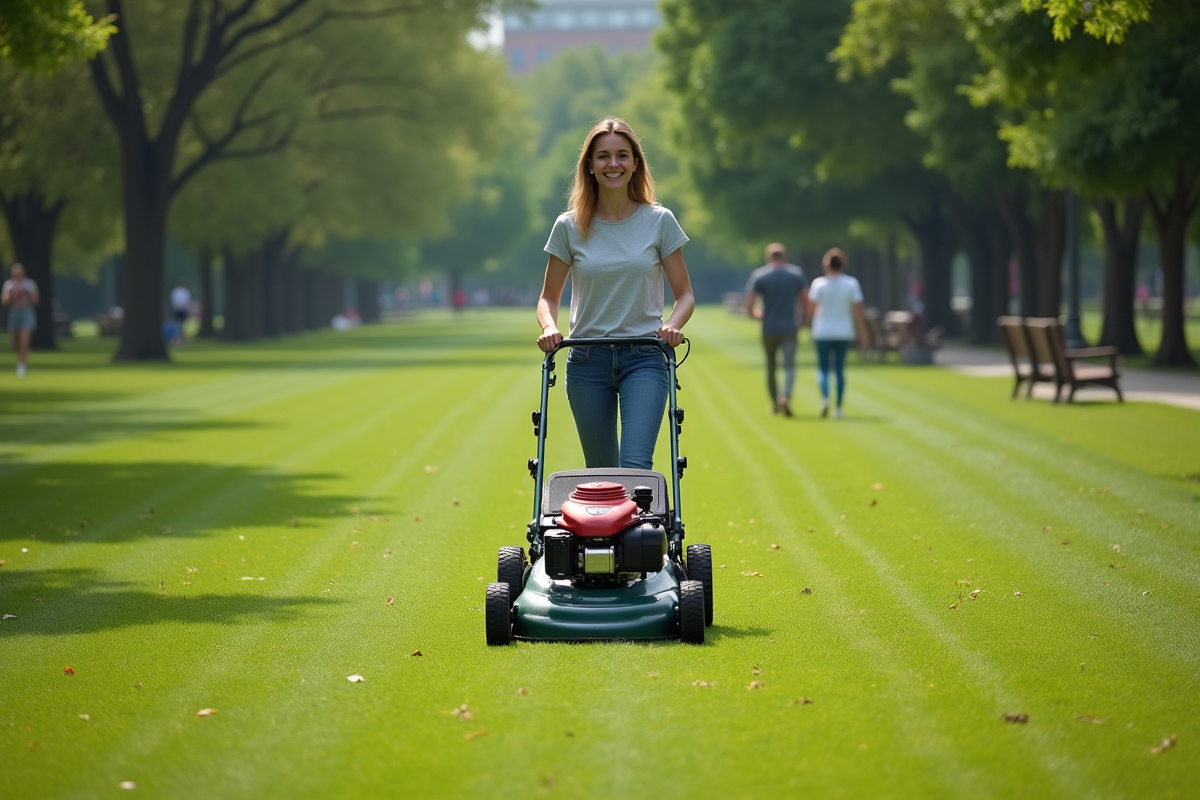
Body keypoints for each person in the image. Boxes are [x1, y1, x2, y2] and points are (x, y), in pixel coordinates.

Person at [536, 116, 695, 470]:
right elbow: (548, 298)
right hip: (586, 361)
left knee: (635, 468)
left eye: (622, 155)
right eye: (604, 156)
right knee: (602, 474)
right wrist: (549, 327)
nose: (613, 164)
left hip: (645, 357)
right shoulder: (568, 226)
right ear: (590, 165)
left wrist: (673, 324)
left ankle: (643, 527)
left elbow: (684, 294)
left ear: (636, 162)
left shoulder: (659, 221)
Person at [744, 243, 809, 416]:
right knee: (789, 366)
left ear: (768, 257)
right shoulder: (795, 274)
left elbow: (749, 305)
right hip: (789, 326)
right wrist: (803, 319)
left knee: (771, 367)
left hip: (769, 328)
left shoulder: (760, 275)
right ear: (784, 256)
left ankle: (774, 403)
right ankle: (785, 396)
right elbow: (805, 298)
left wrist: (758, 315)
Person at [807, 248, 867, 418]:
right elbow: (858, 310)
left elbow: (811, 309)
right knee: (839, 370)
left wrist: (806, 322)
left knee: (823, 369)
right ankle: (839, 408)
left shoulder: (818, 284)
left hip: (822, 331)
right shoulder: (851, 284)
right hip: (843, 331)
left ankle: (825, 397)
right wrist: (863, 333)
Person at [2, 262, 40, 378]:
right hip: (14, 313)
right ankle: (19, 360)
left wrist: (27, 294)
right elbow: (5, 301)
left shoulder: (29, 284)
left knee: (24, 341)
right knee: (16, 341)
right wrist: (11, 293)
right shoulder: (9, 285)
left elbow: (36, 301)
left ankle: (22, 365)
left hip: (26, 312)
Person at [170, 281, 192, 345]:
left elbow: (173, 300)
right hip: (182, 310)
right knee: (181, 325)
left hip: (177, 309)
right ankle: (180, 339)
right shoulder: (185, 291)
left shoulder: (175, 291)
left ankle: (178, 339)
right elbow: (187, 301)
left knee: (178, 324)